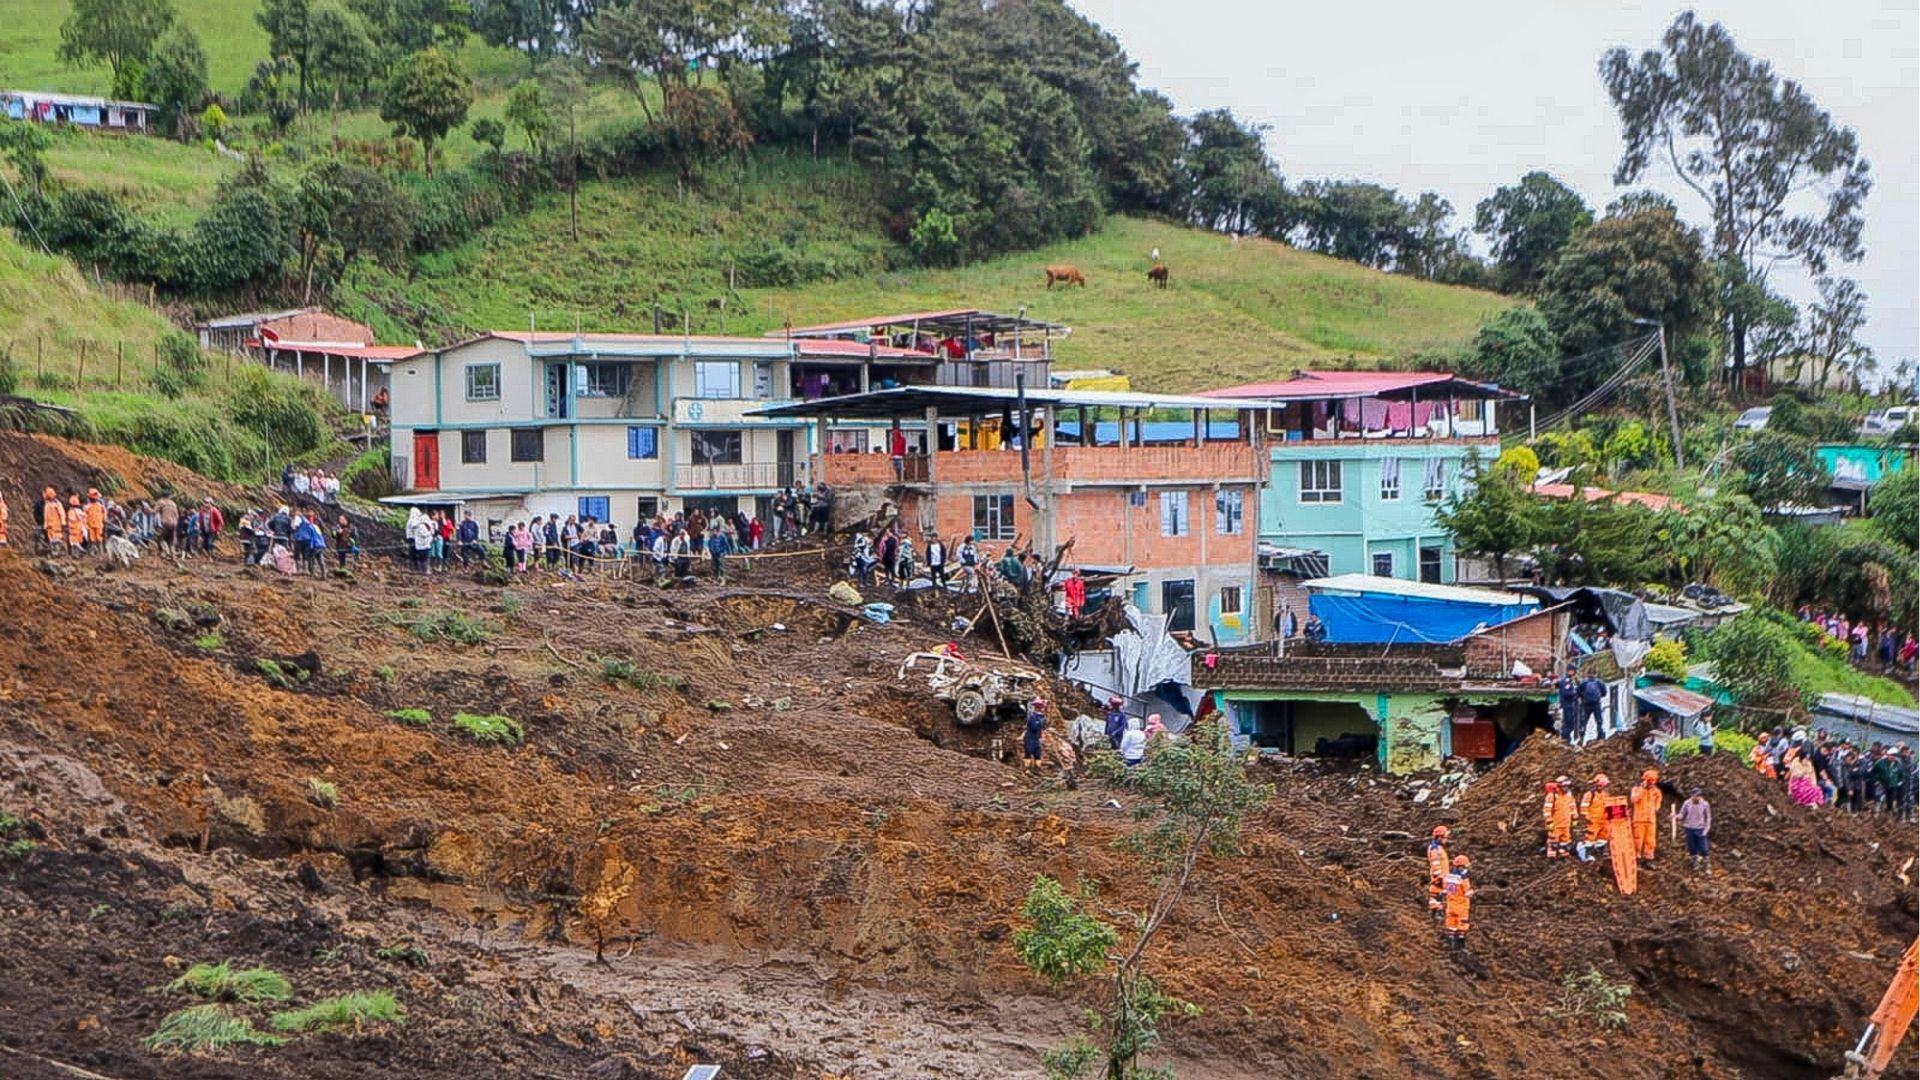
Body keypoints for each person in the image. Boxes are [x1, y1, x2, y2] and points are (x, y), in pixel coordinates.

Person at [1441, 855, 1474, 952]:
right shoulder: (1463, 878)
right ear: (1462, 866)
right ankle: (1461, 948)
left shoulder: (1448, 876)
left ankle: (1451, 946)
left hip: (1450, 906)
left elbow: (1448, 891)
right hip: (1461, 907)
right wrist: (1472, 892)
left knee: (1451, 927)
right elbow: (1468, 893)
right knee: (1462, 927)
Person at [1630, 769, 1662, 865]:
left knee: (1650, 840)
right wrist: (1642, 790)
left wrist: (1655, 808)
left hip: (1651, 820)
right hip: (1639, 819)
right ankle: (1636, 856)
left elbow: (1658, 802)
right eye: (1649, 781)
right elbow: (1634, 799)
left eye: (1653, 781)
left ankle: (1649, 858)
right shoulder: (1637, 789)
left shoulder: (1656, 791)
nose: (1651, 784)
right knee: (1638, 839)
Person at [1576, 774, 1610, 862]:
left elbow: (1608, 806)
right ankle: (1586, 856)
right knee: (1590, 838)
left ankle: (1599, 853)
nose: (1601, 787)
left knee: (1603, 837)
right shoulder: (1589, 794)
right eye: (1600, 785)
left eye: (1603, 786)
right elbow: (1584, 807)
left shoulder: (1605, 795)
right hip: (1593, 820)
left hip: (1603, 820)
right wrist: (1587, 818)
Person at [1678, 787, 1712, 873]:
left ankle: (1707, 865)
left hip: (1700, 829)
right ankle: (1695, 864)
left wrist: (1706, 829)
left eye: (1699, 796)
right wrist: (1676, 816)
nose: (1698, 797)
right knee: (1692, 848)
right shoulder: (1687, 803)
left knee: (1704, 848)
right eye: (1696, 796)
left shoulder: (1705, 804)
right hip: (1689, 828)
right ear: (1692, 795)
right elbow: (1682, 814)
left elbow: (1708, 817)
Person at [1543, 779, 1574, 859]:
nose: (1566, 788)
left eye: (1567, 786)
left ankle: (1564, 857)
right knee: (1553, 842)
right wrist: (1549, 821)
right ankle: (1551, 859)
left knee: (1566, 841)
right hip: (1555, 824)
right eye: (1564, 786)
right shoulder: (1552, 796)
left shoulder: (1569, 796)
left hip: (1566, 823)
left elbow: (1572, 807)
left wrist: (1575, 818)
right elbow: (1547, 810)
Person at [1426, 825, 1450, 918]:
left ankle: (1440, 913)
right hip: (1440, 878)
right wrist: (1438, 876)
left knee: (1443, 895)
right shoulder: (1434, 849)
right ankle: (1437, 913)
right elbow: (1435, 863)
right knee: (1437, 896)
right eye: (1445, 837)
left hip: (1443, 877)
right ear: (1439, 837)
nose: (1446, 840)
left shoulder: (1438, 848)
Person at [1578, 672, 1607, 737]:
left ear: (1587, 675)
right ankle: (1600, 734)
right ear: (1595, 674)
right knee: (1599, 720)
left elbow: (1578, 692)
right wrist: (1599, 696)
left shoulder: (1584, 683)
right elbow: (1604, 693)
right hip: (1596, 704)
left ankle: (1582, 734)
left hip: (1586, 704)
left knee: (1584, 720)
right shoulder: (1600, 682)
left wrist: (1583, 697)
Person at [1022, 697, 1047, 771]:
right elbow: (1034, 727)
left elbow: (1044, 726)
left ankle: (1037, 769)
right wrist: (1040, 723)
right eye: (1039, 707)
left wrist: (1043, 723)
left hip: (1036, 738)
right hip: (1030, 738)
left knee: (1037, 754)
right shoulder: (1032, 716)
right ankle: (1027, 769)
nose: (1040, 708)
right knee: (1028, 752)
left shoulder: (1041, 717)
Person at [1556, 673, 1581, 744]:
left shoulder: (1572, 681)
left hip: (1572, 704)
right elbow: (1566, 693)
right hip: (1567, 705)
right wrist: (1573, 692)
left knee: (1572, 723)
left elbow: (1577, 689)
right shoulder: (1565, 681)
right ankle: (1565, 737)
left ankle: (1567, 737)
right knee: (1567, 722)